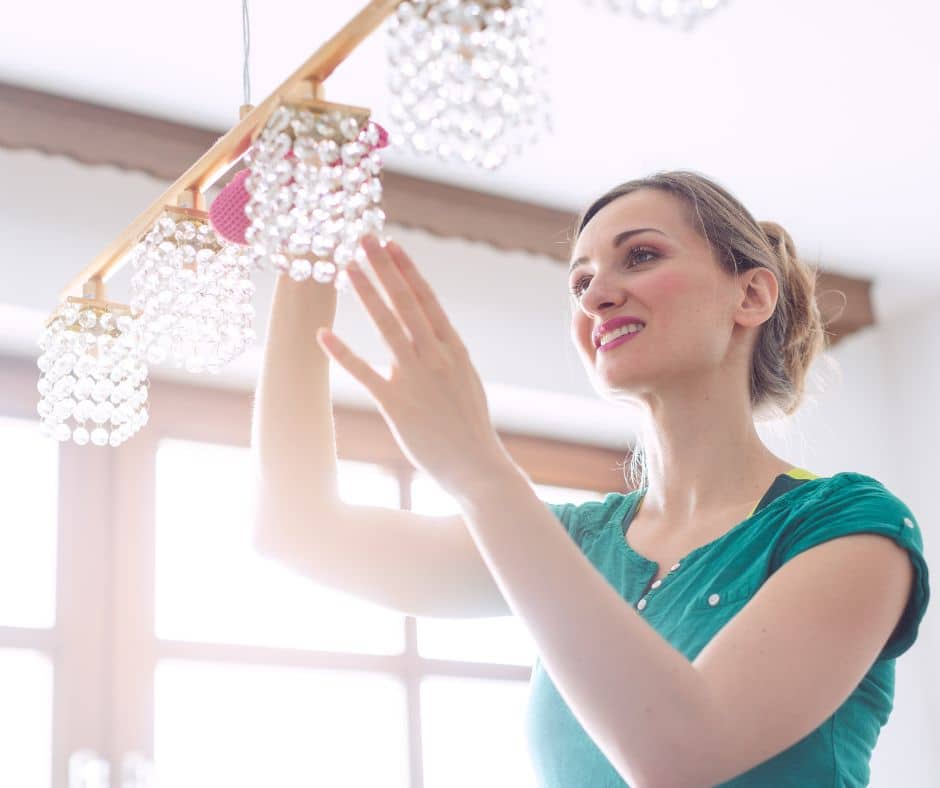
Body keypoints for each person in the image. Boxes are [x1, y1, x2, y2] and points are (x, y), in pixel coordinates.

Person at [251, 170, 930, 787]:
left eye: (641, 256)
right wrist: (308, 251)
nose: (598, 295)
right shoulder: (575, 543)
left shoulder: (847, 527)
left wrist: (483, 474)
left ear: (750, 294)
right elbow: (297, 530)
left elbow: (682, 756)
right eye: (580, 282)